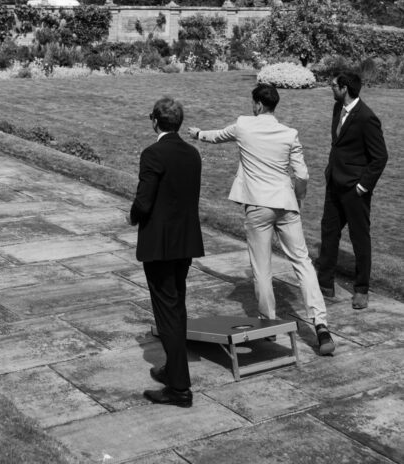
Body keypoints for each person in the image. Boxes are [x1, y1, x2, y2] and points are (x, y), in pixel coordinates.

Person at [188, 83, 335, 356]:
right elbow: (302, 175)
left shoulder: (244, 125)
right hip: (286, 204)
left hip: (258, 206)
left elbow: (217, 136)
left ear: (257, 104)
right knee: (302, 262)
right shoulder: (289, 134)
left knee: (262, 268)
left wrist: (197, 133)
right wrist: (298, 198)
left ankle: (269, 324)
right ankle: (321, 324)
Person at [130, 97, 204, 407]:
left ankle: (179, 388)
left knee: (167, 313)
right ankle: (173, 369)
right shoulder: (192, 153)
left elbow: (144, 201)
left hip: (160, 244)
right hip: (184, 242)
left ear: (155, 121)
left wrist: (132, 216)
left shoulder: (153, 154)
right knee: (176, 307)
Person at [315, 71, 388, 310]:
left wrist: (362, 186)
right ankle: (325, 283)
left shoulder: (367, 118)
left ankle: (361, 289)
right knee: (329, 232)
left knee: (359, 238)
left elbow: (380, 157)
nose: (331, 87)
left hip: (355, 190)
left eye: (334, 85)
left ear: (344, 88)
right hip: (334, 184)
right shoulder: (338, 108)